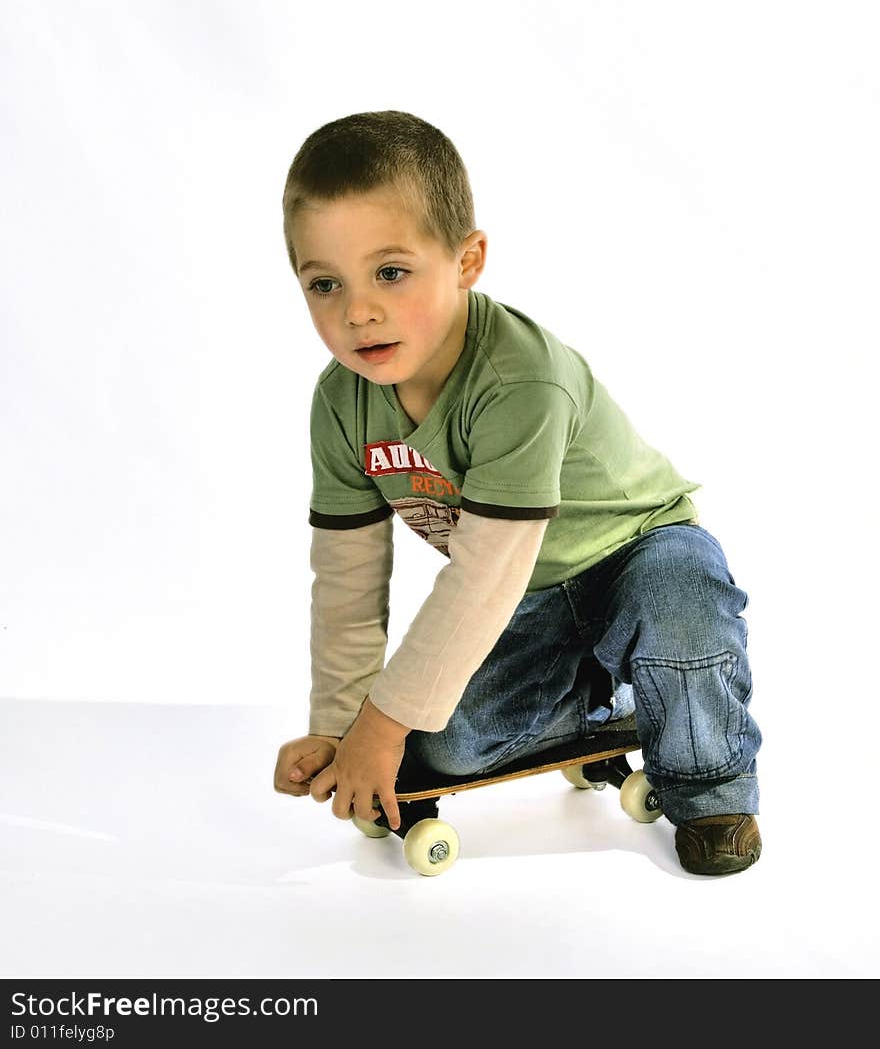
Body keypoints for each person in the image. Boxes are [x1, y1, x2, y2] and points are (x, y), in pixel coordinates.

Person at [273, 110, 762, 876]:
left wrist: (383, 719)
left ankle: (711, 792)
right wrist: (343, 727)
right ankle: (607, 700)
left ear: (467, 260)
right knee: (436, 744)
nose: (357, 310)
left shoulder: (519, 381)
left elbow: (480, 574)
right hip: (529, 599)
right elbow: (346, 580)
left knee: (677, 601)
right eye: (324, 284)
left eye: (391, 273)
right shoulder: (341, 405)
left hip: (635, 555)